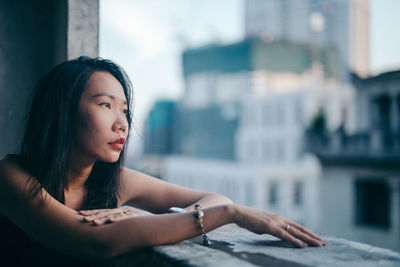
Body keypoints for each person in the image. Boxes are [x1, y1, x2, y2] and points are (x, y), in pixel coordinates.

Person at [0, 56, 326, 264]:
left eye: (125, 110)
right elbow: (94, 243)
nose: (122, 123)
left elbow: (213, 198)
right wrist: (232, 214)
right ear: (62, 113)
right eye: (105, 105)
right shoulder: (12, 175)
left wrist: (178, 215)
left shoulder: (112, 179)